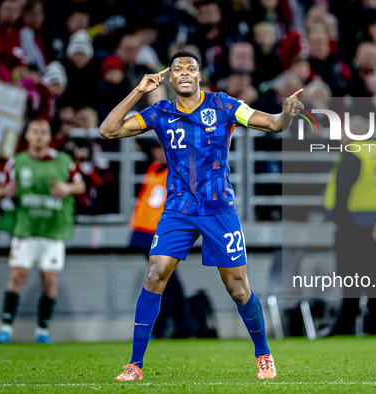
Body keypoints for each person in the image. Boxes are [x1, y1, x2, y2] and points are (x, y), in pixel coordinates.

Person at [99, 50, 303, 381]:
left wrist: (287, 114)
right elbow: (107, 131)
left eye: (190, 68)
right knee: (155, 273)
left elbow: (274, 124)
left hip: (218, 208)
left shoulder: (224, 105)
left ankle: (263, 354)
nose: (183, 73)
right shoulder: (159, 112)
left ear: (198, 76)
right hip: (179, 208)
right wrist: (138, 90)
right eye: (177, 69)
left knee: (237, 287)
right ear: (170, 77)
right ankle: (135, 365)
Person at [0, 119, 86, 344]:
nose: (39, 136)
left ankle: (42, 331)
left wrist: (67, 188)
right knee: (16, 276)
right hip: (25, 230)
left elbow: (80, 186)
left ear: (49, 137)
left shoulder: (64, 162)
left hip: (53, 231)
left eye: (43, 132)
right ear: (27, 136)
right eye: (34, 131)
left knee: (49, 280)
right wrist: (4, 192)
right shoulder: (17, 162)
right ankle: (6, 329)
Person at [324, 116, 376, 335]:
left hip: (352, 224)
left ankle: (345, 325)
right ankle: (375, 322)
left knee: (350, 277)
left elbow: (342, 188)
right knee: (375, 276)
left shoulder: (353, 153)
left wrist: (338, 219)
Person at [128, 140, 190, 338]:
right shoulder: (154, 168)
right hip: (144, 231)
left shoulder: (176, 171)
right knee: (169, 281)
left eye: (161, 148)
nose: (157, 152)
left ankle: (161, 328)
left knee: (163, 281)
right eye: (154, 148)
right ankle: (184, 326)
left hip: (161, 232)